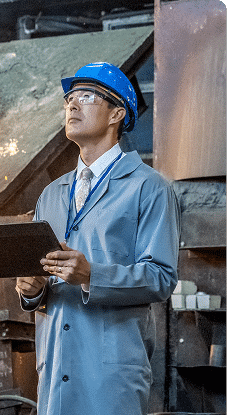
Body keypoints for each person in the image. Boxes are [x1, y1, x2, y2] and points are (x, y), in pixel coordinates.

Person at [15, 62, 180, 415]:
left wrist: (92, 275)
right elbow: (43, 282)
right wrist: (32, 290)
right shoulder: (52, 195)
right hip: (57, 366)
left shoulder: (149, 188)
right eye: (69, 99)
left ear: (117, 113)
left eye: (86, 96)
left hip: (110, 375)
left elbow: (162, 277)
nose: (72, 105)